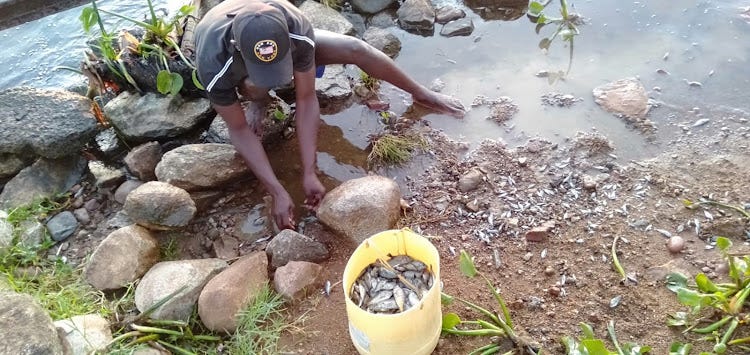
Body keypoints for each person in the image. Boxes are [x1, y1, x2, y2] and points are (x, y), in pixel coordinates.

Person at [194, 0, 465, 230]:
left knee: (355, 48)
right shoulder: (213, 62)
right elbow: (238, 129)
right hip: (235, 64)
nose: (284, 77)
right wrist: (276, 190)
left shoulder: (294, 28)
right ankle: (259, 100)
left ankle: (421, 93)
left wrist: (310, 171)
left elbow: (306, 97)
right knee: (255, 87)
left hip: (287, 39)